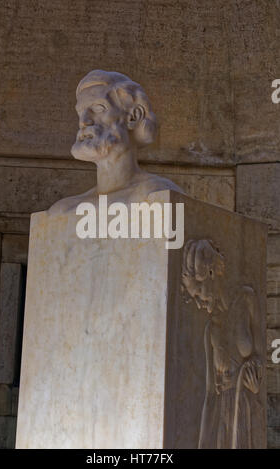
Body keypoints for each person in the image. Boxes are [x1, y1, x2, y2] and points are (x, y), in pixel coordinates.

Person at [48, 69, 182, 216]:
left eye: (98, 108)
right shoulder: (63, 210)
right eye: (80, 112)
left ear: (134, 117)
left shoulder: (156, 195)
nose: (84, 121)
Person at [181, 239, 263, 448]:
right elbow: (210, 395)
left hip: (246, 409)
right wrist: (202, 443)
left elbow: (261, 358)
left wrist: (255, 384)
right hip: (225, 417)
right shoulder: (211, 330)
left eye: (198, 293)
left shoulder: (248, 299)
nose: (199, 302)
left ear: (209, 274)